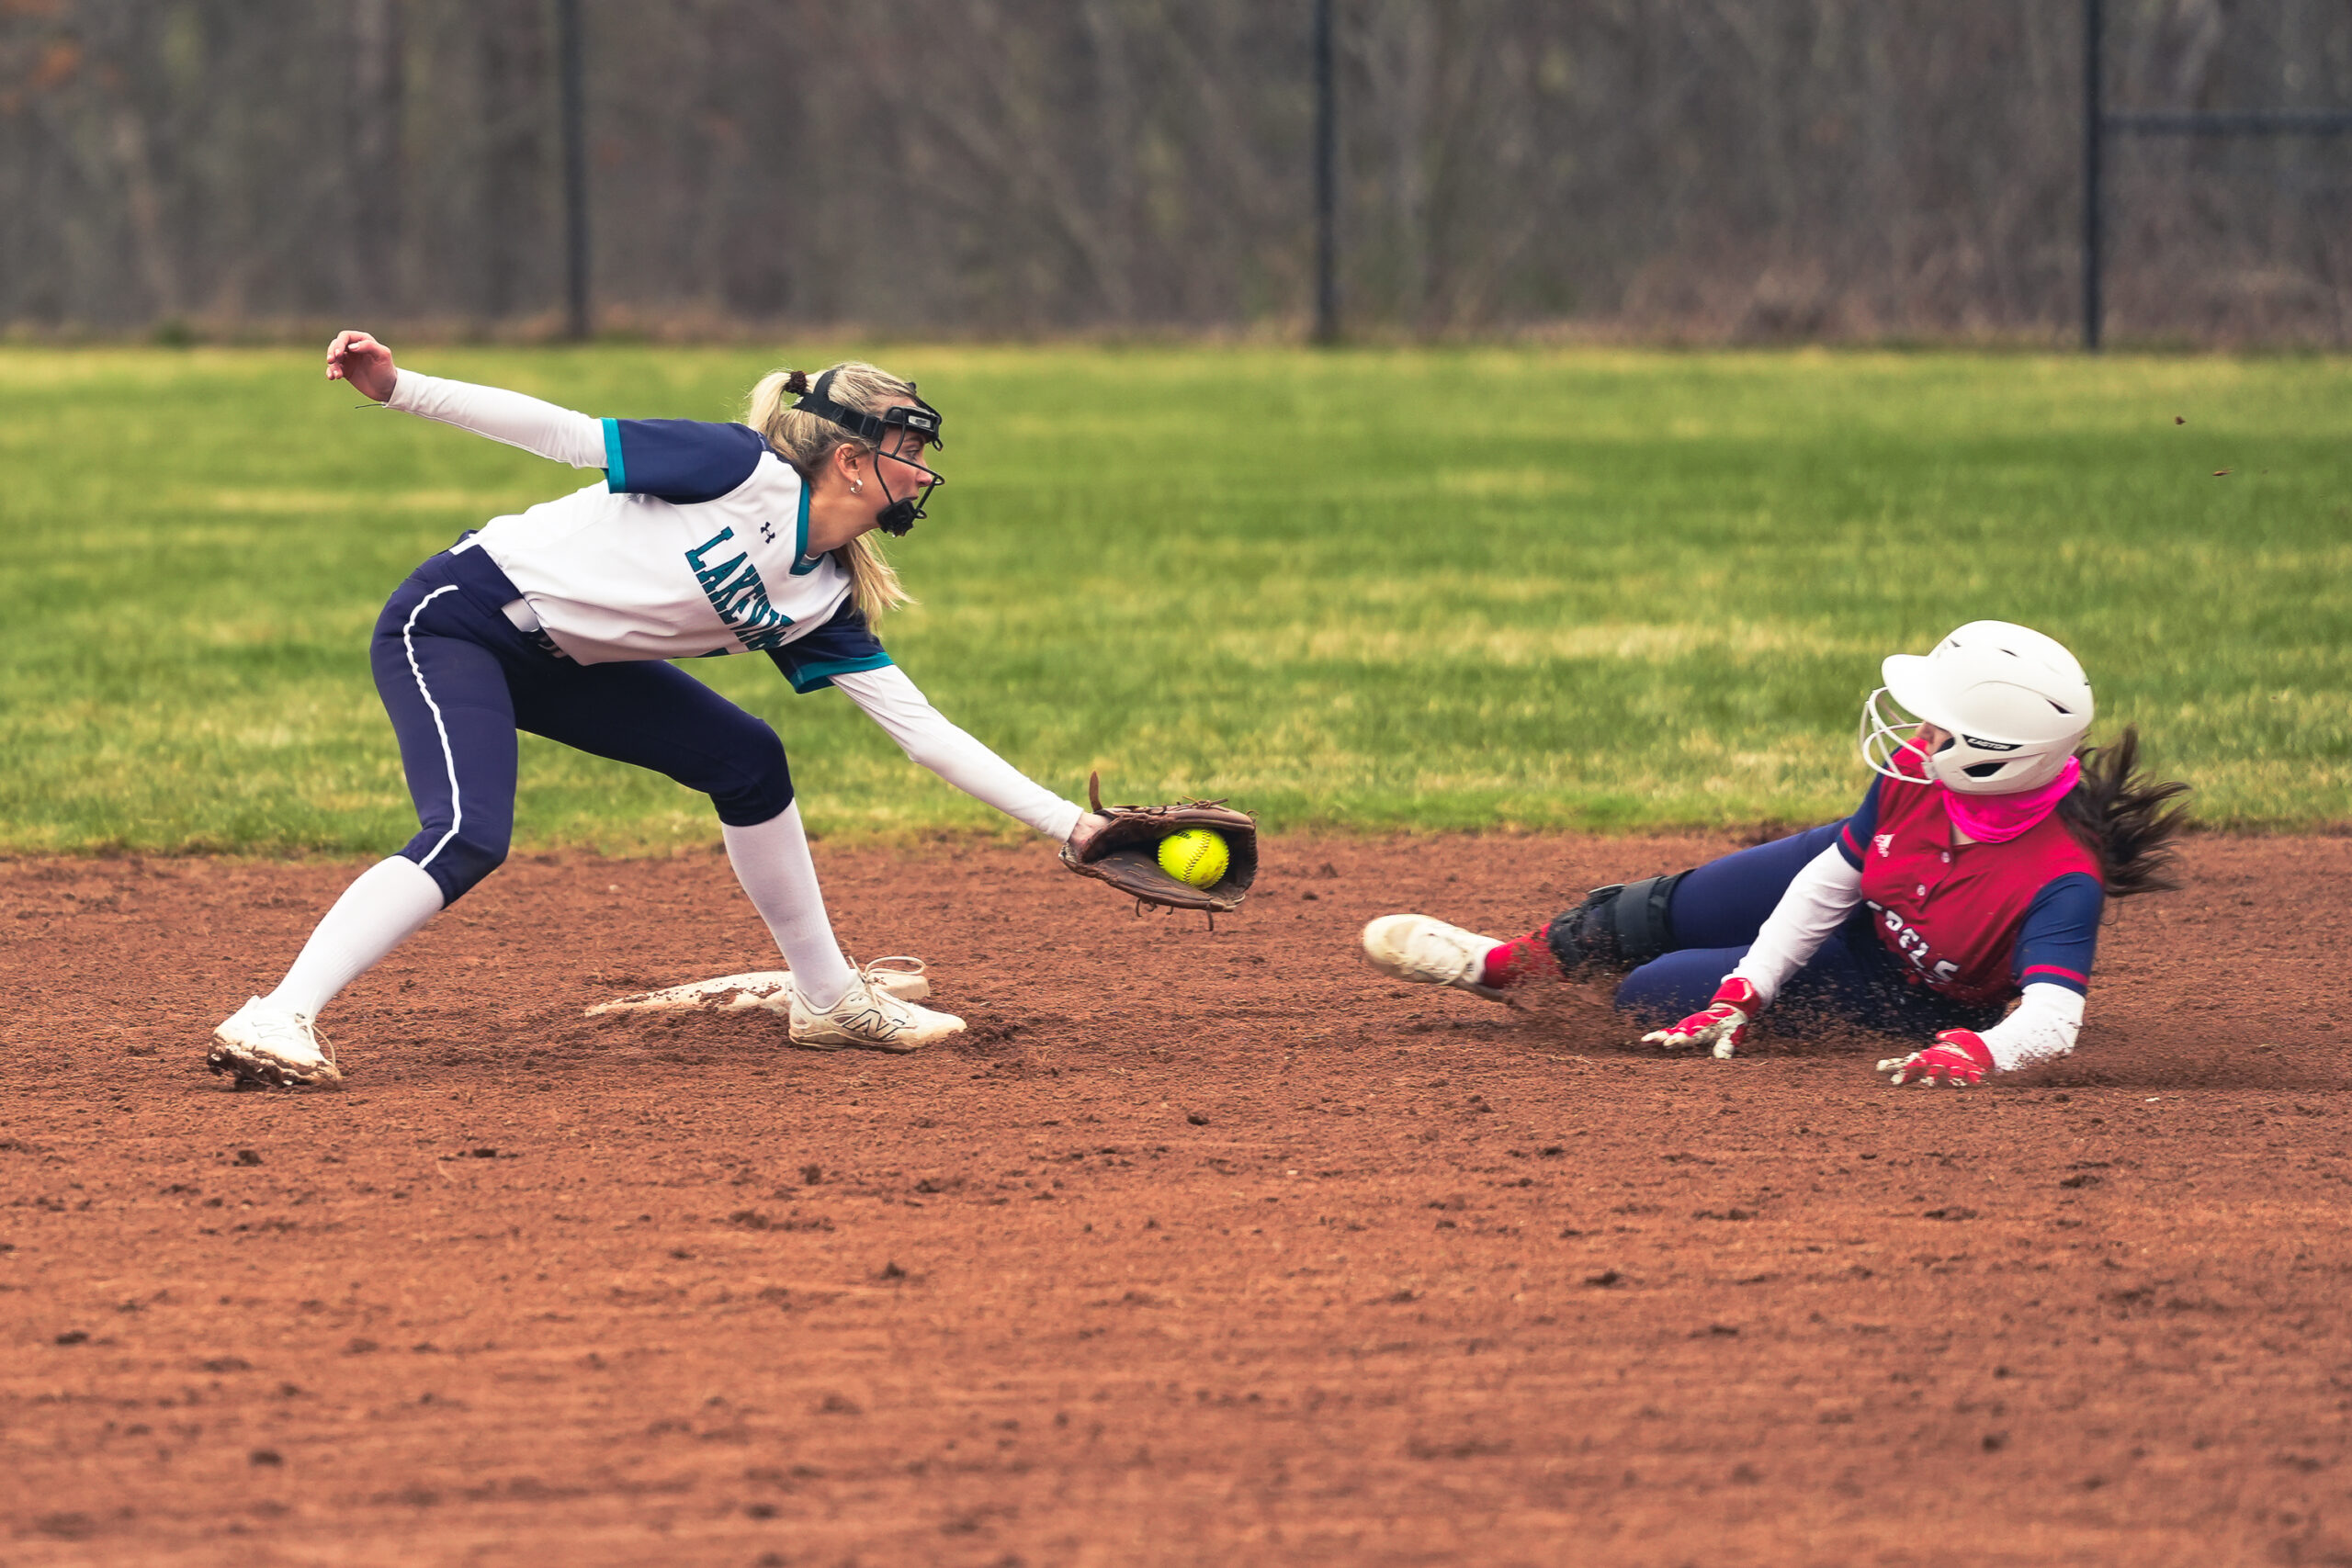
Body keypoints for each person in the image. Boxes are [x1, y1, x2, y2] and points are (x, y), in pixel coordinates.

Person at [208, 331, 1108, 1088]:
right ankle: (275, 1015)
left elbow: (926, 736)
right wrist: (401, 389)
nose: (918, 473)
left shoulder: (819, 596)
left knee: (749, 761)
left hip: (562, 661)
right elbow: (564, 434)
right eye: (905, 451)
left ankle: (829, 998)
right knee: (468, 834)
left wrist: (1079, 829)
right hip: (457, 623)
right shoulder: (737, 468)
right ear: (848, 458)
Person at [1361, 622, 2189, 1086]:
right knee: (1673, 907)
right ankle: (1509, 965)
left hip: (1904, 980)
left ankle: (1610, 990)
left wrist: (1976, 1049)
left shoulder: (2060, 879)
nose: (1915, 732)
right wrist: (1747, 989)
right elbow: (1832, 878)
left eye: (1937, 723)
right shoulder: (1915, 774)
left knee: (1648, 996)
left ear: (1995, 753)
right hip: (1867, 881)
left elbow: (2052, 1021)